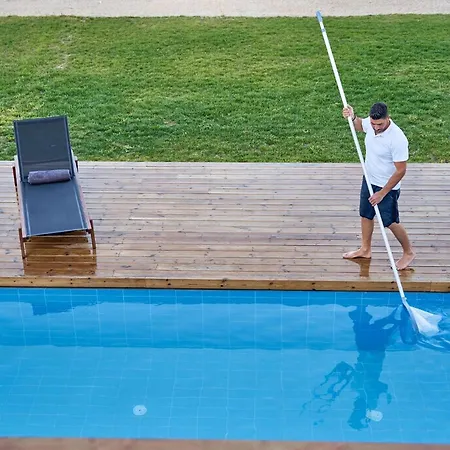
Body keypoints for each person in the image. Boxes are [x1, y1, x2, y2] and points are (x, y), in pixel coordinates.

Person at [342, 102, 415, 270]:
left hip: (387, 187)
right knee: (366, 214)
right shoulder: (371, 124)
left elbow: (401, 171)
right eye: (373, 124)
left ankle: (408, 252)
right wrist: (352, 117)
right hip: (369, 180)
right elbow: (360, 125)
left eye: (380, 124)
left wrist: (382, 193)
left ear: (388, 118)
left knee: (390, 221)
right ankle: (365, 249)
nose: (376, 127)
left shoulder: (397, 139)